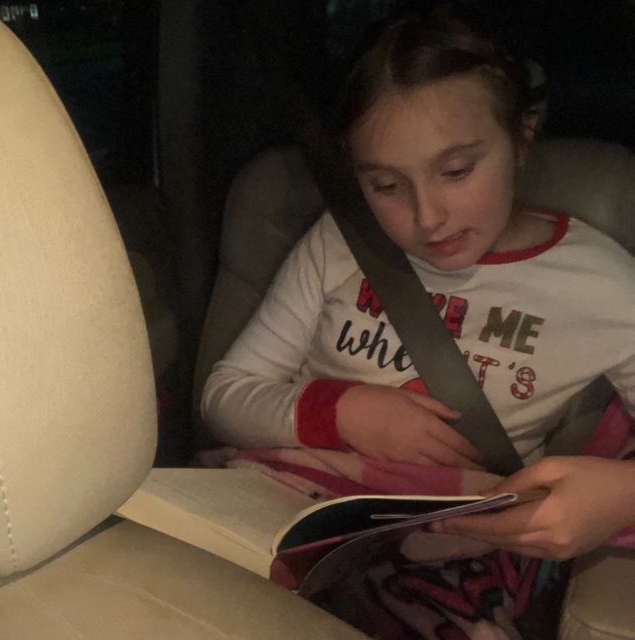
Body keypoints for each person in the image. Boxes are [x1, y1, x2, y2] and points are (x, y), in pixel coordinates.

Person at [202, 10, 635, 634]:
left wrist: (618, 496)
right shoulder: (340, 243)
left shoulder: (600, 285)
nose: (428, 218)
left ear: (521, 136)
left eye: (457, 172)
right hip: (286, 506)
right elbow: (224, 397)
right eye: (385, 185)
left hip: (455, 537)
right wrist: (343, 411)